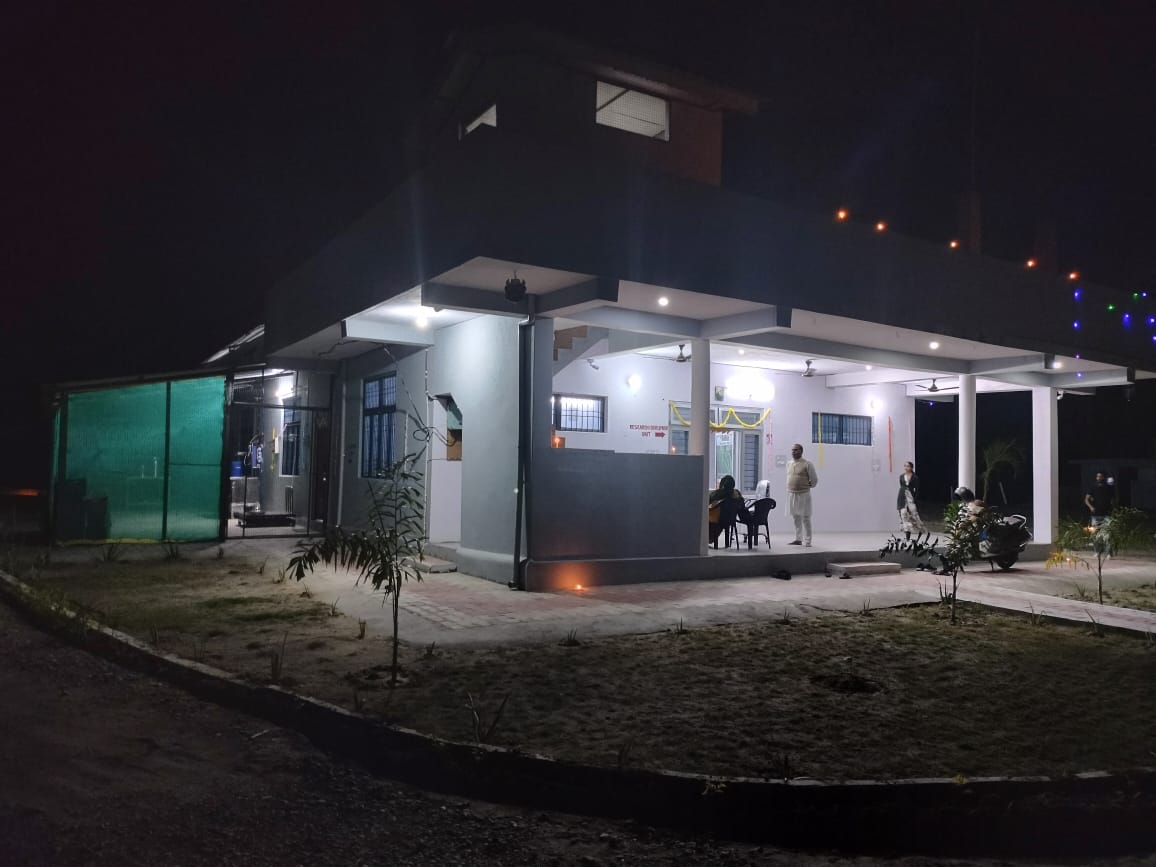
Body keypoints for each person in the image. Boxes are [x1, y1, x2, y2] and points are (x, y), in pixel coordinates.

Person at [786, 443, 818, 546]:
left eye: (796, 450)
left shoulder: (807, 464)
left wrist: (808, 486)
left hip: (804, 494)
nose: (793, 452)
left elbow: (814, 480)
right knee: (796, 517)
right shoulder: (789, 463)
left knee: (805, 517)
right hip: (792, 494)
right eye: (792, 450)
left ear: (801, 451)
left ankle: (808, 541)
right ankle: (798, 539)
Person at [708, 475, 750, 546]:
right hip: (731, 519)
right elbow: (742, 505)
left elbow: (708, 501)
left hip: (718, 519)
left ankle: (708, 539)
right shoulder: (737, 493)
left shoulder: (717, 493)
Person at [897, 461, 926, 539]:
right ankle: (907, 533)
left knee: (914, 513)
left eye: (908, 466)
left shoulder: (915, 477)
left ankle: (920, 528)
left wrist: (914, 499)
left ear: (911, 467)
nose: (906, 468)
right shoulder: (901, 476)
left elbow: (917, 489)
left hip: (911, 497)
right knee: (903, 514)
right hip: (902, 497)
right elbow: (902, 486)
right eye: (905, 466)